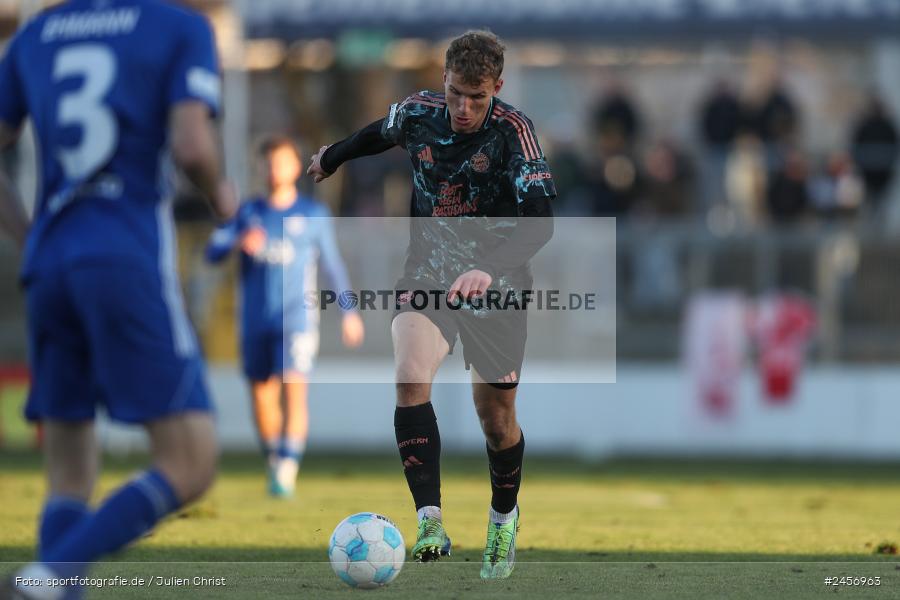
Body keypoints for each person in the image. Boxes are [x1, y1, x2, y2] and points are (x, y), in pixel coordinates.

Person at [0, 1, 236, 597]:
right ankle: (45, 576)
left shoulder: (38, 34)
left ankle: (49, 582)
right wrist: (226, 200)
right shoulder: (179, 27)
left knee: (68, 474)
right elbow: (192, 147)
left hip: (50, 264)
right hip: (126, 256)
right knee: (191, 463)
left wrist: (30, 236)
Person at [307, 30, 556, 579]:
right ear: (443, 83)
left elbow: (542, 222)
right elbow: (379, 132)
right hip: (429, 272)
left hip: (500, 288)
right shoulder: (419, 113)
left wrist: (488, 268)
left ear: (497, 88)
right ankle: (430, 520)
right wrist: (334, 157)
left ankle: (503, 517)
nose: (463, 109)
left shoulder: (516, 133)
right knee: (409, 374)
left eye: (476, 97)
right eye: (455, 95)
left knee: (497, 423)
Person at [206, 136, 364, 498]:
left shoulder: (312, 214)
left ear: (295, 167)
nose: (275, 169)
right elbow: (212, 252)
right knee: (262, 397)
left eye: (282, 162)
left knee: (293, 387)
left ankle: (287, 470)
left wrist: (348, 311)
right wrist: (235, 241)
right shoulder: (247, 214)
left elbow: (332, 266)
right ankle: (277, 461)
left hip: (297, 317)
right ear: (260, 167)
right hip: (254, 320)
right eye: (269, 162)